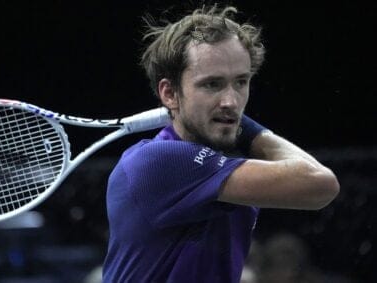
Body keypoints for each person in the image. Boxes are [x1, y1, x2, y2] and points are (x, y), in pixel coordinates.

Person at [103, 4, 340, 283]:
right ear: (169, 93)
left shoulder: (225, 156)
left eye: (241, 82)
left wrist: (238, 127)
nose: (231, 101)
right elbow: (320, 184)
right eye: (212, 84)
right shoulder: (156, 161)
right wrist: (249, 129)